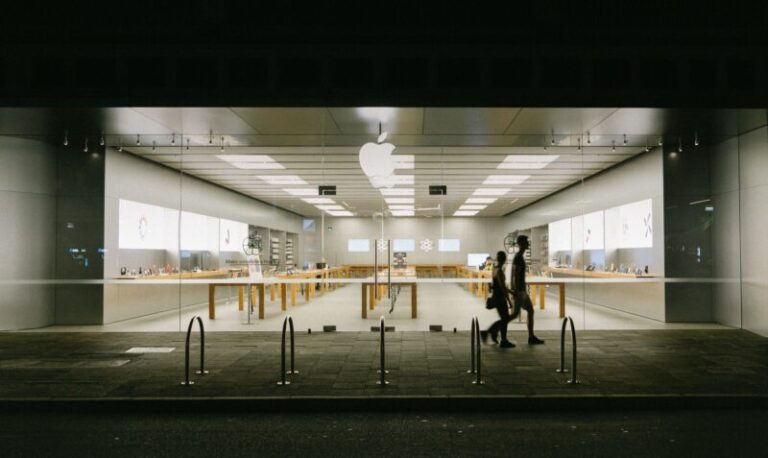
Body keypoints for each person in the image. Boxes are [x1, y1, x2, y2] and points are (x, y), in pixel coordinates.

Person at [510, 235, 544, 345]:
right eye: (526, 242)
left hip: (519, 290)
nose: (528, 244)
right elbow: (515, 275)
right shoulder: (518, 257)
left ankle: (531, 336)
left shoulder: (519, 256)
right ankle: (494, 330)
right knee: (526, 311)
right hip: (520, 291)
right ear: (520, 243)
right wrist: (516, 291)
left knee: (519, 313)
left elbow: (513, 274)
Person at [481, 251, 516, 348]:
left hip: (495, 297)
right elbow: (502, 287)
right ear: (504, 260)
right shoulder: (499, 271)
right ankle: (492, 333)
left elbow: (496, 285)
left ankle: (494, 334)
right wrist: (509, 299)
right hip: (500, 298)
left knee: (504, 319)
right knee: (505, 319)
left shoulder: (494, 269)